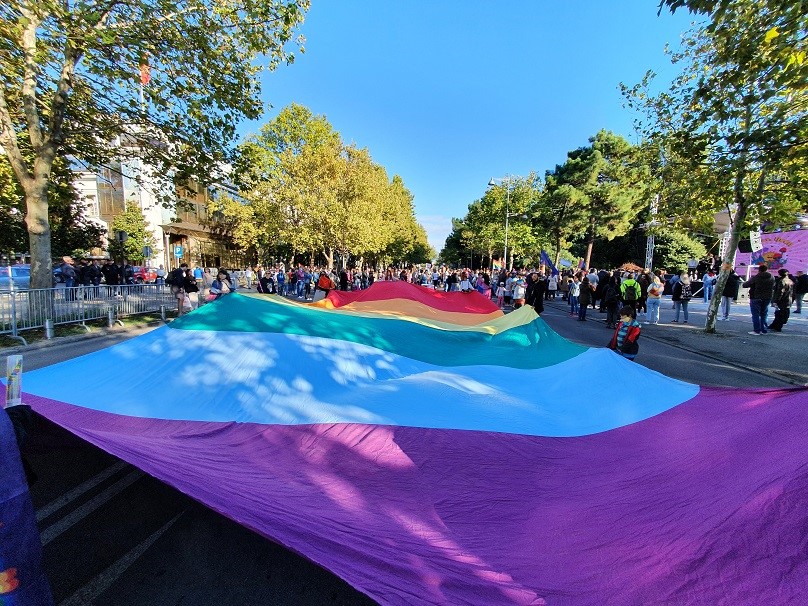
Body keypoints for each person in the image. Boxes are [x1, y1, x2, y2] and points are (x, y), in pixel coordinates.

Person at [742, 263, 775, 335]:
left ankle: (757, 330)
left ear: (759, 270)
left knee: (756, 314)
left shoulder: (756, 277)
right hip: (767, 297)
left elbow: (745, 285)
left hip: (756, 297)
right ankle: (763, 329)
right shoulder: (772, 277)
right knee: (764, 313)